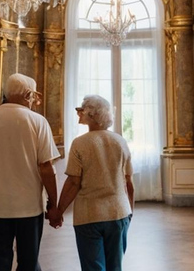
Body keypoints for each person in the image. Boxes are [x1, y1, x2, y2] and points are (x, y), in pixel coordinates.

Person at [0, 73, 61, 271]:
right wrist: (53, 203)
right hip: (29, 207)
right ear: (27, 94)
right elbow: (46, 168)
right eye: (33, 96)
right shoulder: (38, 121)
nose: (34, 100)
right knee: (29, 263)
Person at [50, 95, 134, 271]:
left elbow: (74, 182)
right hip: (119, 213)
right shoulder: (120, 141)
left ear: (92, 114)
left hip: (89, 216)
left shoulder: (80, 143)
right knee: (115, 267)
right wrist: (129, 212)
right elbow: (128, 183)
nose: (79, 112)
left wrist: (58, 211)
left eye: (82, 109)